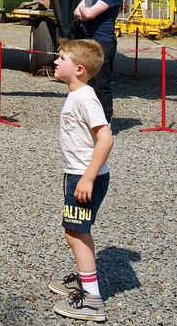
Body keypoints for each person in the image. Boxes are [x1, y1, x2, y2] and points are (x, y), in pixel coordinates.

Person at [50, 38, 114, 322]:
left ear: (78, 69)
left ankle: (92, 301)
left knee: (75, 233)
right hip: (77, 174)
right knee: (78, 231)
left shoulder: (86, 98)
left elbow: (105, 138)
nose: (55, 61)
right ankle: (86, 282)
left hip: (84, 177)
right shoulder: (76, 94)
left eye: (61, 58)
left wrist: (86, 179)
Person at [72, 0, 121, 123]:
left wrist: (86, 12)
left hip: (103, 44)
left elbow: (89, 13)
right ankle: (89, 118)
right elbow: (77, 12)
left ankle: (104, 122)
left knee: (101, 84)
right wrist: (85, 12)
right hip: (89, 41)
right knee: (87, 81)